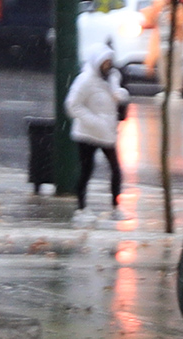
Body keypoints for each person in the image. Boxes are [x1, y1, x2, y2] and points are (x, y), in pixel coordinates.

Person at [65, 45, 128, 219]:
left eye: (110, 62)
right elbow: (72, 104)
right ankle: (81, 207)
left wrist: (120, 95)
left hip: (107, 132)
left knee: (116, 169)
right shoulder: (85, 80)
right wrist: (93, 121)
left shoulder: (112, 78)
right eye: (104, 62)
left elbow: (115, 97)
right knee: (86, 170)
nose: (108, 66)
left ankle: (116, 205)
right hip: (87, 134)